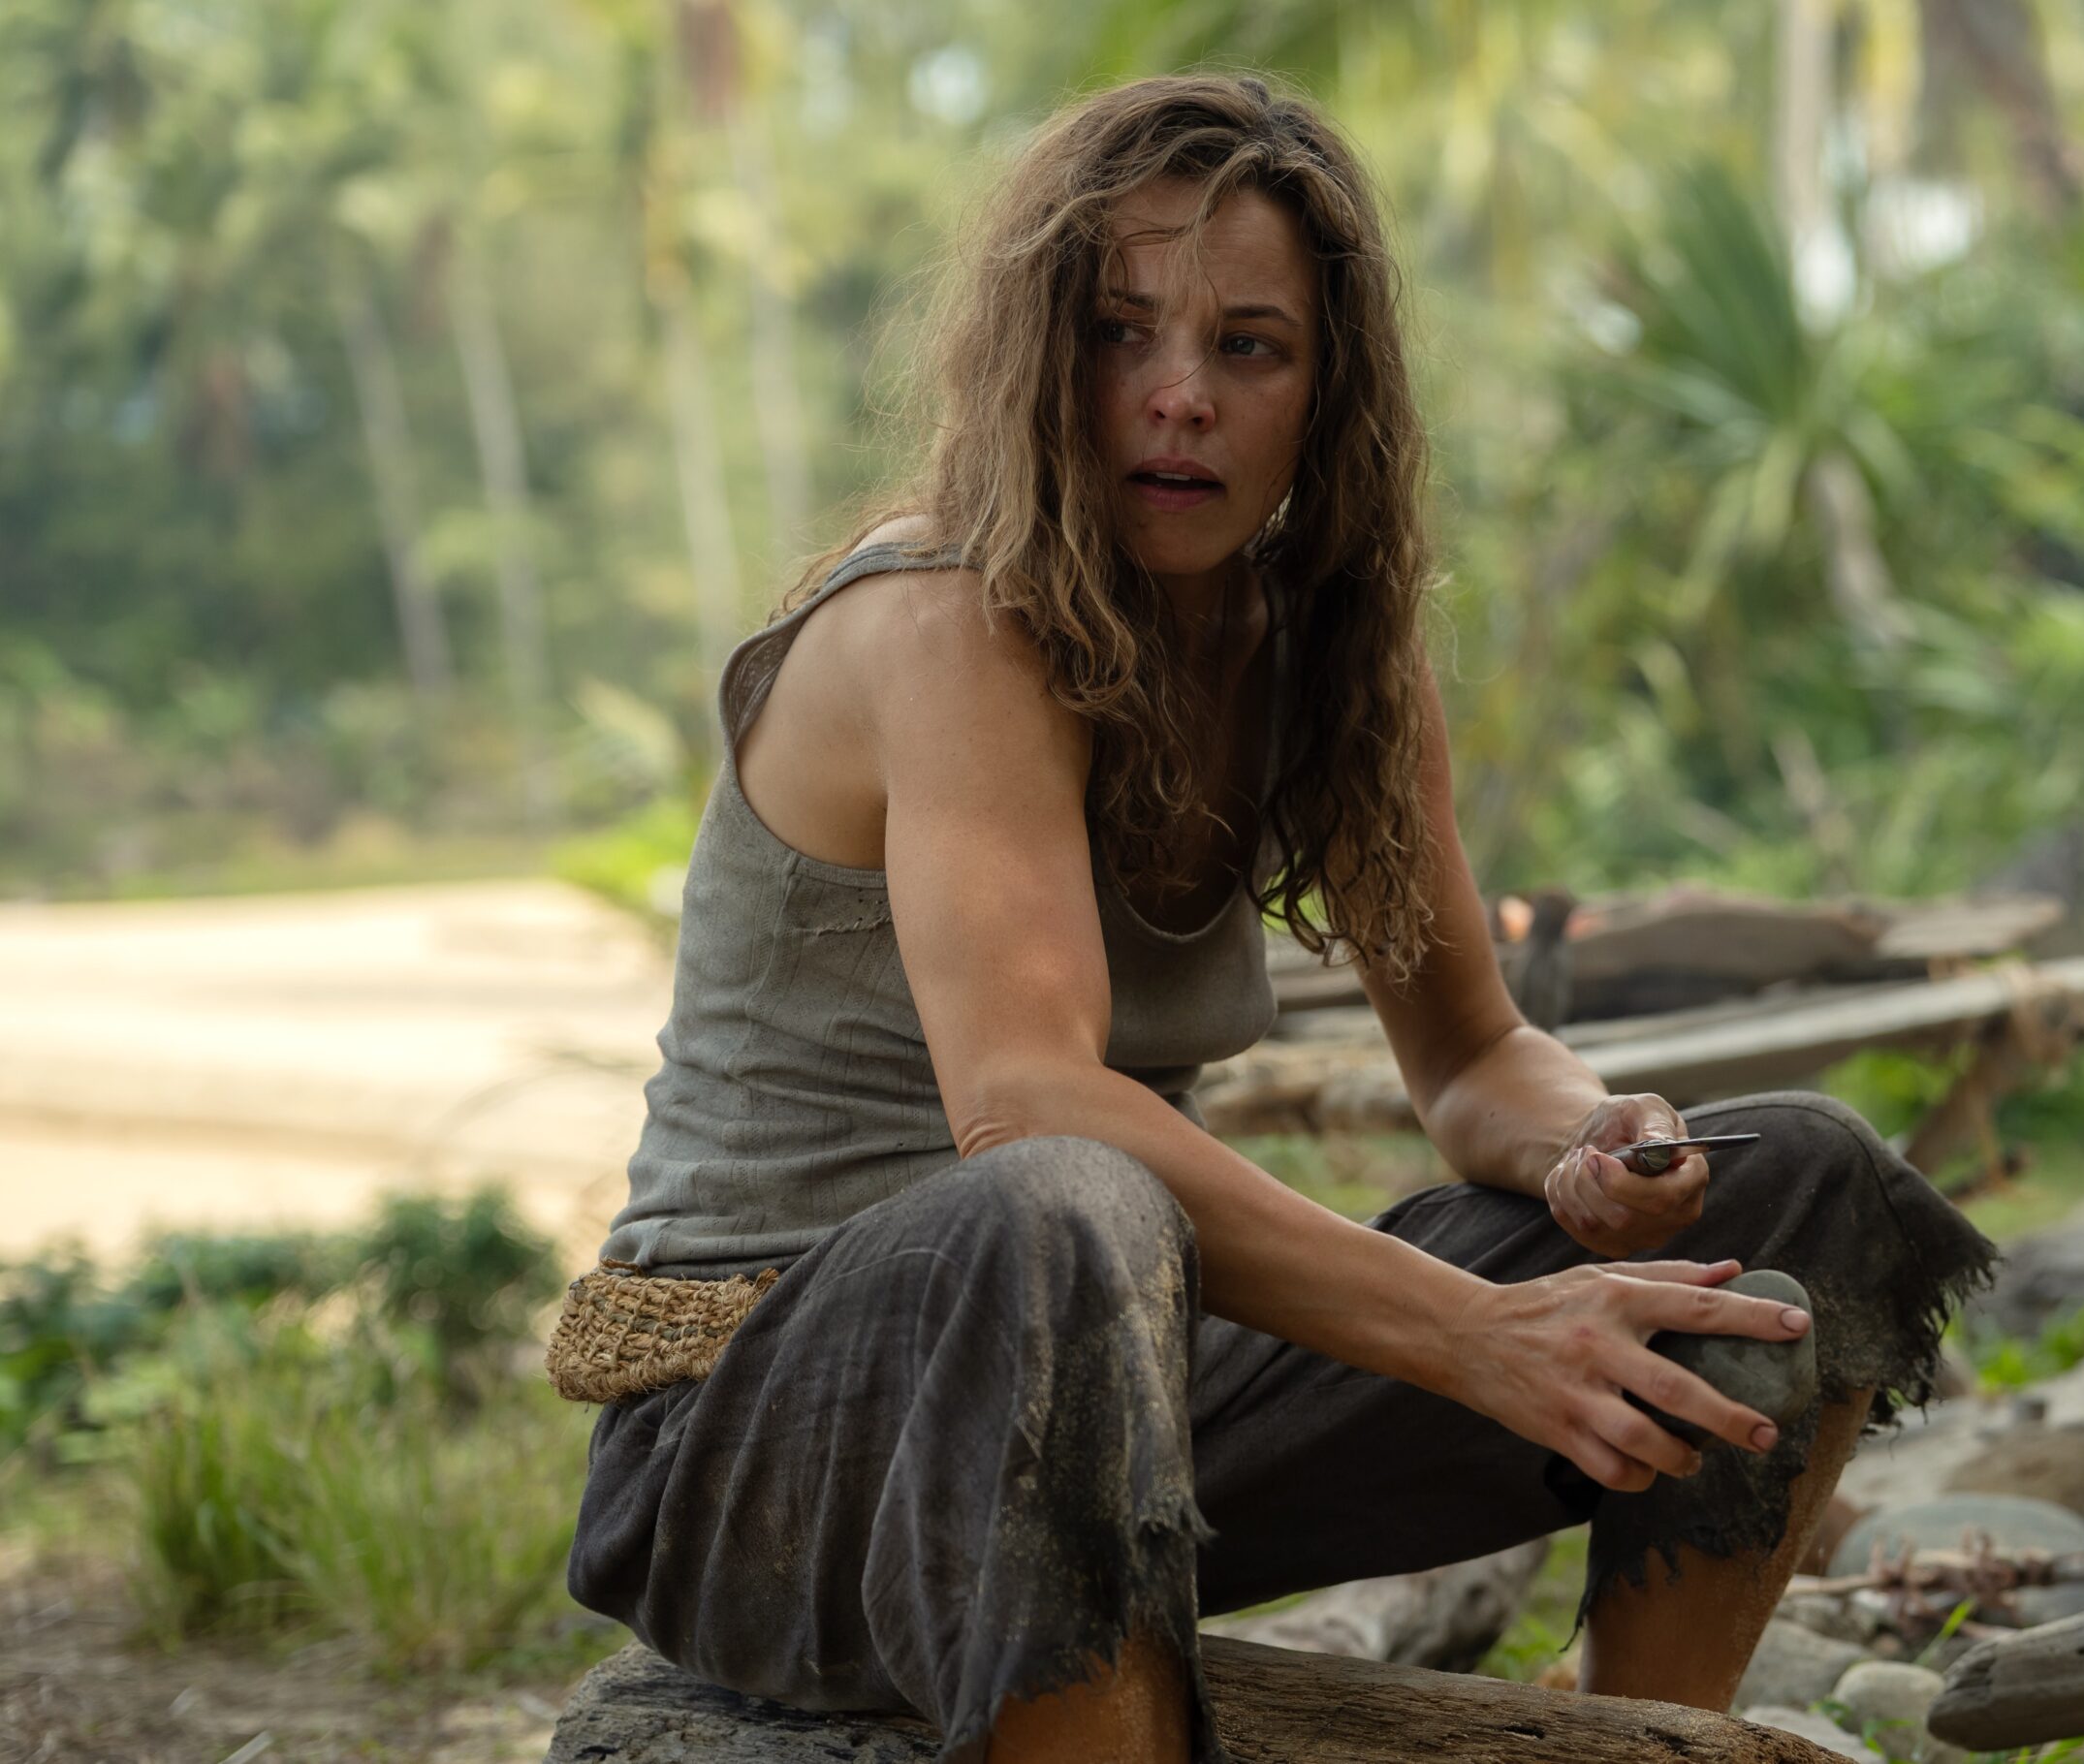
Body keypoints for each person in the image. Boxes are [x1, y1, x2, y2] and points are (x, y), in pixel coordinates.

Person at [563, 71, 1998, 1764]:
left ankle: (1640, 1736)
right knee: (1061, 1205)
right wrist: (1476, 1331)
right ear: (1038, 356)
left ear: (1328, 396)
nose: (1178, 398)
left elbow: (1469, 1058)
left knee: (1798, 1188)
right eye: (1120, 333)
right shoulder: (947, 623)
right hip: (760, 1459)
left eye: (1250, 348)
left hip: (1114, 1399)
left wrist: (1598, 1144)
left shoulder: (1330, 650)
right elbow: (1021, 1102)